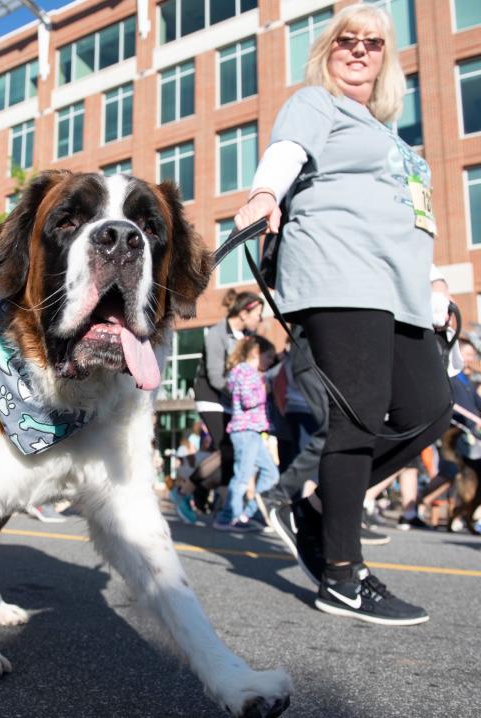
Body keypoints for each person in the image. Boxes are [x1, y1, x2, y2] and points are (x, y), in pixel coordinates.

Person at [233, 4, 451, 625]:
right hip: (338, 273)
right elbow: (286, 152)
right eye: (346, 41)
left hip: (400, 290)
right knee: (357, 419)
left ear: (386, 58)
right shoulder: (315, 103)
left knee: (429, 409)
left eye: (373, 43)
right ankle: (342, 577)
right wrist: (264, 193)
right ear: (328, 50)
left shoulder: (394, 139)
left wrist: (435, 283)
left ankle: (318, 508)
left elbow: (413, 216)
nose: (359, 50)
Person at [192, 289, 264, 512]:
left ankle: (206, 492)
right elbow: (215, 377)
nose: (260, 319)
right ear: (244, 313)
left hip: (230, 400)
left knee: (229, 452)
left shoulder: (245, 338)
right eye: (258, 314)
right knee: (228, 449)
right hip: (210, 397)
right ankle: (192, 489)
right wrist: (242, 392)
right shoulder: (217, 333)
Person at [214, 336, 279, 532]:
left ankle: (249, 513)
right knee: (242, 476)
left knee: (271, 473)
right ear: (255, 353)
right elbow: (247, 400)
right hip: (245, 431)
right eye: (268, 357)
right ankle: (228, 517)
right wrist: (263, 389)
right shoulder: (244, 371)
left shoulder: (250, 373)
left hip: (253, 431)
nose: (270, 362)